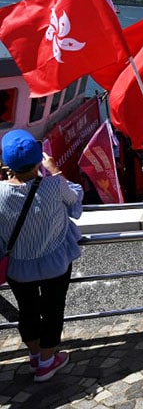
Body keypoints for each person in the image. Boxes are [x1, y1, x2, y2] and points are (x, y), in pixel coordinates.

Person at [0, 130, 83, 382]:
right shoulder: (54, 185)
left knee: (27, 311)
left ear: (6, 164)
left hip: (17, 265)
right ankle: (47, 362)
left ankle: (35, 355)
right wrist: (55, 170)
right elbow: (76, 201)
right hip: (54, 263)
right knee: (53, 310)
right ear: (39, 161)